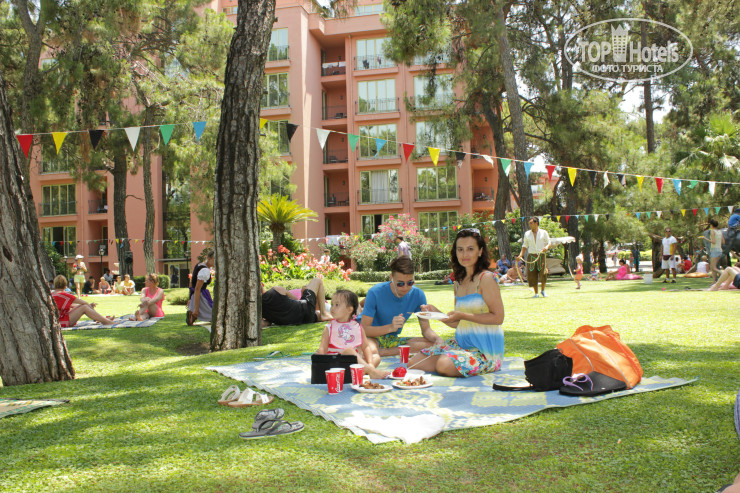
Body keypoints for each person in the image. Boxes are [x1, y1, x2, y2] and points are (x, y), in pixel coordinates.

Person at [408, 228, 504, 377]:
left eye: (470, 249)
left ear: (480, 251)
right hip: (461, 345)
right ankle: (452, 359)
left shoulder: (486, 278)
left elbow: (498, 318)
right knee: (414, 363)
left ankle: (453, 361)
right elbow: (458, 323)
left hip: (485, 352)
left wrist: (463, 315)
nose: (465, 254)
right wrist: (436, 313)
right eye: (460, 249)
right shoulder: (458, 283)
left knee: (443, 364)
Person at [360, 255, 444, 357]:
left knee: (433, 344)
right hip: (370, 337)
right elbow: (364, 329)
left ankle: (384, 352)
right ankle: (386, 351)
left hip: (392, 340)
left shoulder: (418, 295)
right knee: (370, 350)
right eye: (400, 284)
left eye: (410, 283)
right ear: (391, 277)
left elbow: (426, 330)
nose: (405, 288)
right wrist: (391, 327)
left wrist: (437, 339)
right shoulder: (375, 292)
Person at [316, 289, 388, 379]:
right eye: (332, 304)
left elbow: (366, 347)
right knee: (349, 351)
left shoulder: (357, 327)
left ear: (349, 309)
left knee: (376, 357)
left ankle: (367, 370)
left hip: (354, 363)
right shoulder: (329, 327)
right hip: (337, 363)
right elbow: (322, 348)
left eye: (337, 305)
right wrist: (319, 360)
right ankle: (370, 372)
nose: (332, 308)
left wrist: (370, 363)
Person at [261, 277, 332, 326]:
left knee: (319, 313)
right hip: (305, 312)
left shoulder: (259, 308)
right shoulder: (276, 289)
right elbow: (296, 299)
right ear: (262, 284)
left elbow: (266, 323)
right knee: (317, 280)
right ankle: (324, 313)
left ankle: (324, 314)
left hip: (301, 320)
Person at [51, 275, 115, 327]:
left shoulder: (52, 294)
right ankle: (106, 321)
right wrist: (89, 306)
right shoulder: (66, 295)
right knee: (84, 307)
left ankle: (102, 319)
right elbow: (84, 303)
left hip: (56, 321)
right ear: (65, 284)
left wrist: (88, 307)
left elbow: (72, 306)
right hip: (63, 321)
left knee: (84, 306)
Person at [517, 217, 551, 298]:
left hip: (541, 255)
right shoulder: (527, 234)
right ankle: (536, 293)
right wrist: (520, 255)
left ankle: (543, 290)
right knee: (532, 274)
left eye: (531, 223)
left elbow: (549, 242)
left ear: (536, 223)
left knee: (544, 273)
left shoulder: (543, 232)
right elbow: (525, 245)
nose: (530, 225)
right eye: (529, 223)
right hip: (531, 256)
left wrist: (546, 247)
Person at [187, 250, 215, 325]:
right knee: (214, 315)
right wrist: (196, 309)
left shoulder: (199, 265)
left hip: (195, 294)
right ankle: (193, 314)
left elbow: (191, 283)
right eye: (214, 259)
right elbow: (197, 288)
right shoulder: (204, 270)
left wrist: (190, 298)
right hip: (200, 295)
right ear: (209, 259)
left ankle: (192, 313)